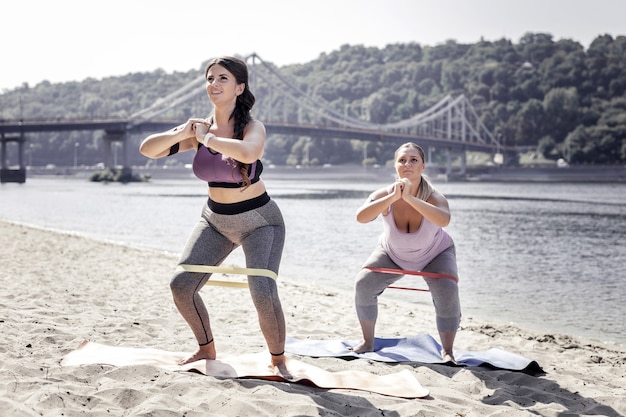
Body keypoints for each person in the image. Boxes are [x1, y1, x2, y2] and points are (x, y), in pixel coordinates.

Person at [139, 56, 288, 375]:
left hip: (259, 222)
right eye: (210, 79)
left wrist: (208, 139)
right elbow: (147, 150)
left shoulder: (251, 127)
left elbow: (249, 153)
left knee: (261, 291)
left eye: (222, 78)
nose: (214, 84)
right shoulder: (197, 132)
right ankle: (205, 348)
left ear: (239, 87)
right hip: (215, 221)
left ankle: (278, 360)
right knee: (181, 284)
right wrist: (185, 130)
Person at [351, 142, 461, 363]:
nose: (407, 164)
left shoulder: (434, 197)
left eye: (413, 160)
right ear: (395, 166)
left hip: (435, 254)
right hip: (393, 254)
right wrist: (393, 197)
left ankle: (447, 351)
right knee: (363, 283)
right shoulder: (385, 194)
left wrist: (410, 198)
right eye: (402, 160)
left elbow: (445, 220)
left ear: (423, 166)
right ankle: (368, 342)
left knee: (447, 289)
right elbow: (361, 217)